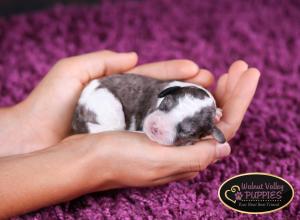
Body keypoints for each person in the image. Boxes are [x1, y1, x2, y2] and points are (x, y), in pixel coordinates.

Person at [0, 50, 260, 218]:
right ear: (166, 95)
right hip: (102, 101)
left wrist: (25, 127)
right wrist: (88, 161)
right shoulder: (167, 93)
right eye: (164, 108)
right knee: (113, 108)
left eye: (183, 130)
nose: (159, 125)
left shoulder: (188, 102)